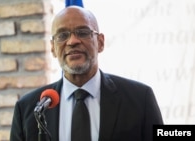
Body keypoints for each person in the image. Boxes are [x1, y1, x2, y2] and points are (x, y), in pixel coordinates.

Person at [10, 5, 163, 141]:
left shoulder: (140, 99)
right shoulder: (28, 109)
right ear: (53, 48)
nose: (72, 41)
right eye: (62, 35)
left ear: (100, 43)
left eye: (82, 32)